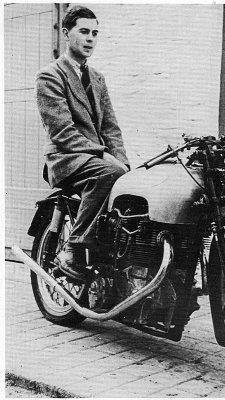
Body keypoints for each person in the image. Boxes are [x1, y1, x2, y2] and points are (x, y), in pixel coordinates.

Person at [36, 5, 130, 281]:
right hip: (67, 158)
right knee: (108, 172)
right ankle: (76, 249)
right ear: (66, 33)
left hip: (95, 159)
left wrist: (123, 161)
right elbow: (62, 132)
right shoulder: (50, 76)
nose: (90, 39)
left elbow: (111, 127)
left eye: (95, 33)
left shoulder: (98, 78)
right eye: (84, 31)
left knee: (130, 183)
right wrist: (105, 156)